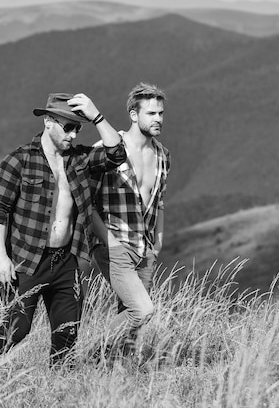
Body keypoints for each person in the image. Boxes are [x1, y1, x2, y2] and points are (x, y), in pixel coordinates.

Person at [0, 92, 126, 366]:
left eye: (77, 128)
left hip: (67, 261)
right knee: (15, 329)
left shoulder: (80, 159)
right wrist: (0, 257)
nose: (73, 134)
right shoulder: (19, 160)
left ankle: (59, 388)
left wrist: (96, 115)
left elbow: (116, 154)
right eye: (67, 127)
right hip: (26, 260)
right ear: (48, 121)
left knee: (67, 336)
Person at [90, 82, 170, 363]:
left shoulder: (162, 154)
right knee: (143, 309)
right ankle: (90, 354)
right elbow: (86, 201)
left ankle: (118, 369)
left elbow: (158, 200)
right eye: (151, 113)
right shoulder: (108, 148)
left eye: (160, 113)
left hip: (145, 246)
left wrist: (158, 242)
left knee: (131, 316)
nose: (158, 118)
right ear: (134, 115)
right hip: (115, 242)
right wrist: (108, 242)